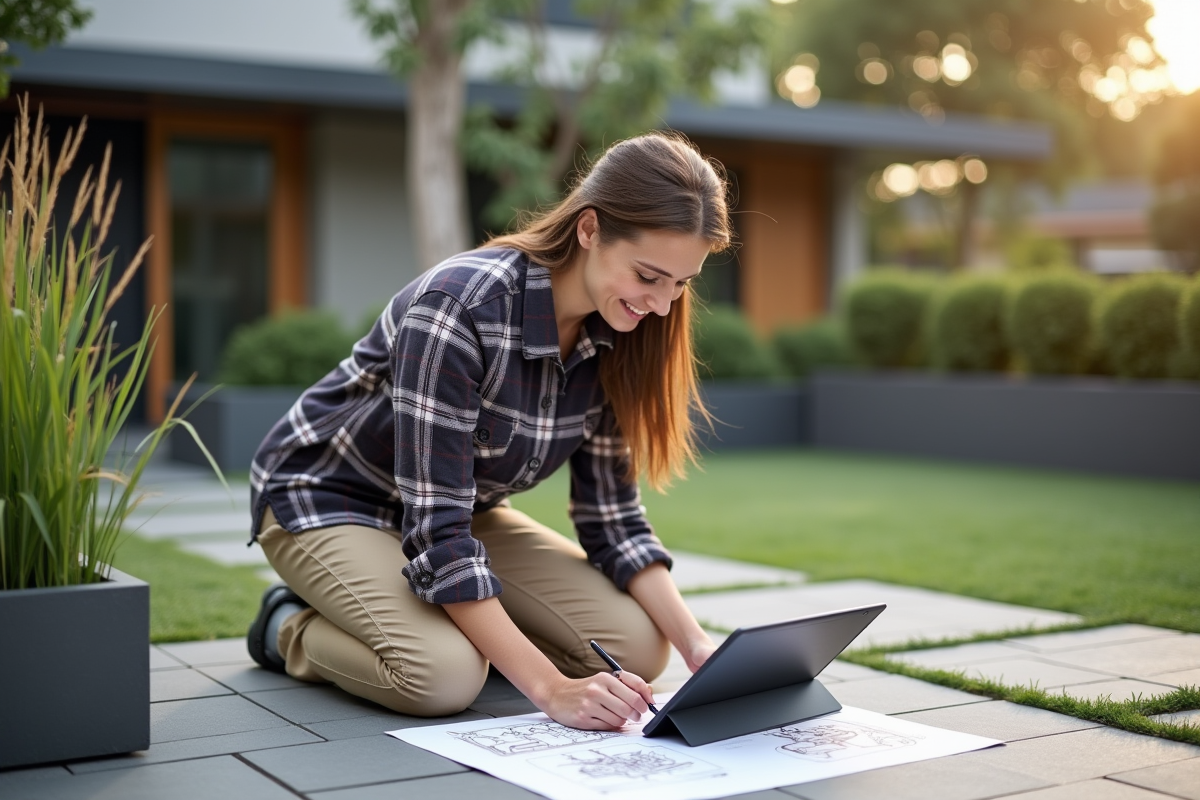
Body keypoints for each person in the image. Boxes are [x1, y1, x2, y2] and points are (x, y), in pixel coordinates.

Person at [246, 132, 730, 730]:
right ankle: (287, 625)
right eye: (649, 276)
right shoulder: (459, 307)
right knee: (443, 676)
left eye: (681, 284)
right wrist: (551, 690)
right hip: (327, 498)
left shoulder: (619, 330)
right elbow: (437, 538)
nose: (662, 305)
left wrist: (700, 647)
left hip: (458, 511)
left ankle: (450, 623)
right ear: (589, 229)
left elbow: (612, 519)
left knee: (638, 646)